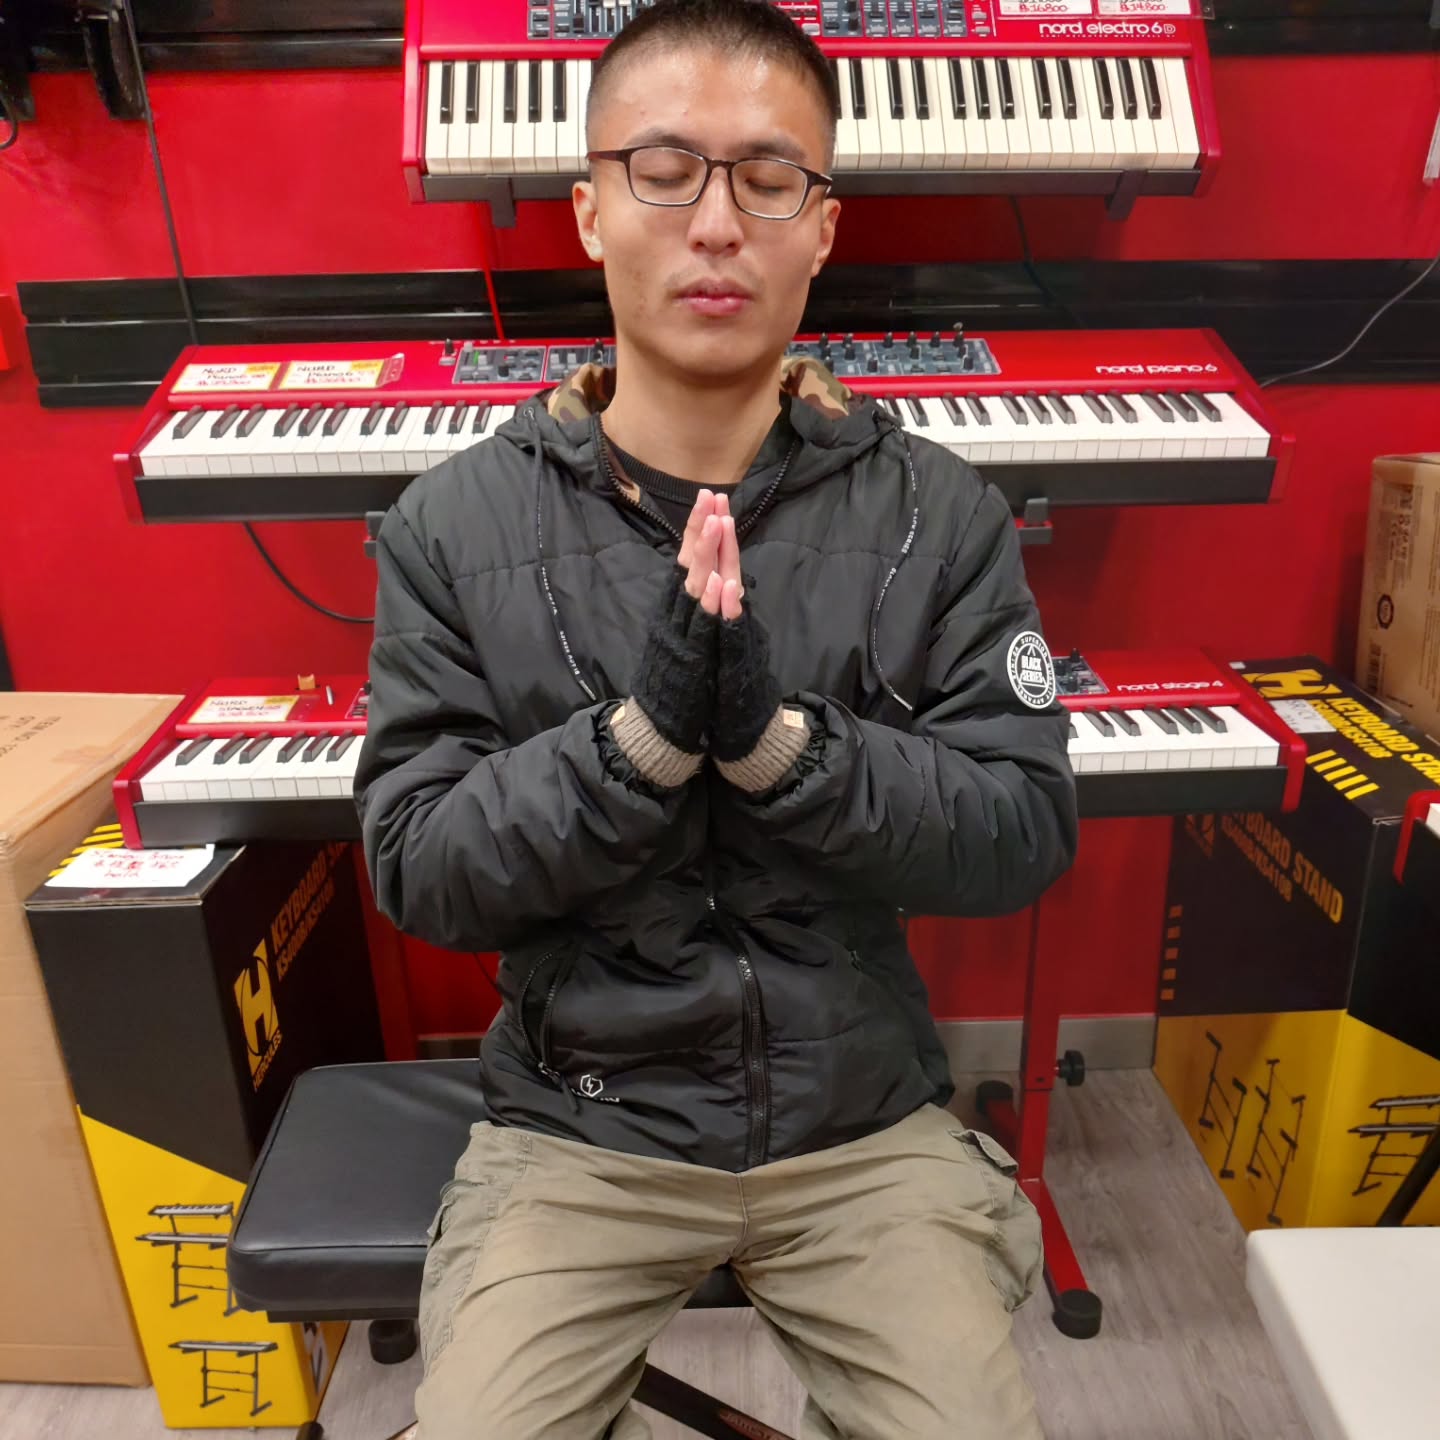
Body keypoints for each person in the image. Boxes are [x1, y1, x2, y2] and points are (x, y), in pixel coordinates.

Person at [355, 1, 1078, 1435]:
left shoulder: (939, 514)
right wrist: (636, 747)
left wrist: (780, 748)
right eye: (665, 169)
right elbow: (421, 867)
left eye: (769, 178)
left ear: (823, 228)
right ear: (588, 210)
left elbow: (1019, 830)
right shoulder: (451, 525)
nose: (717, 223)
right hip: (580, 1124)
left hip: (857, 1119)